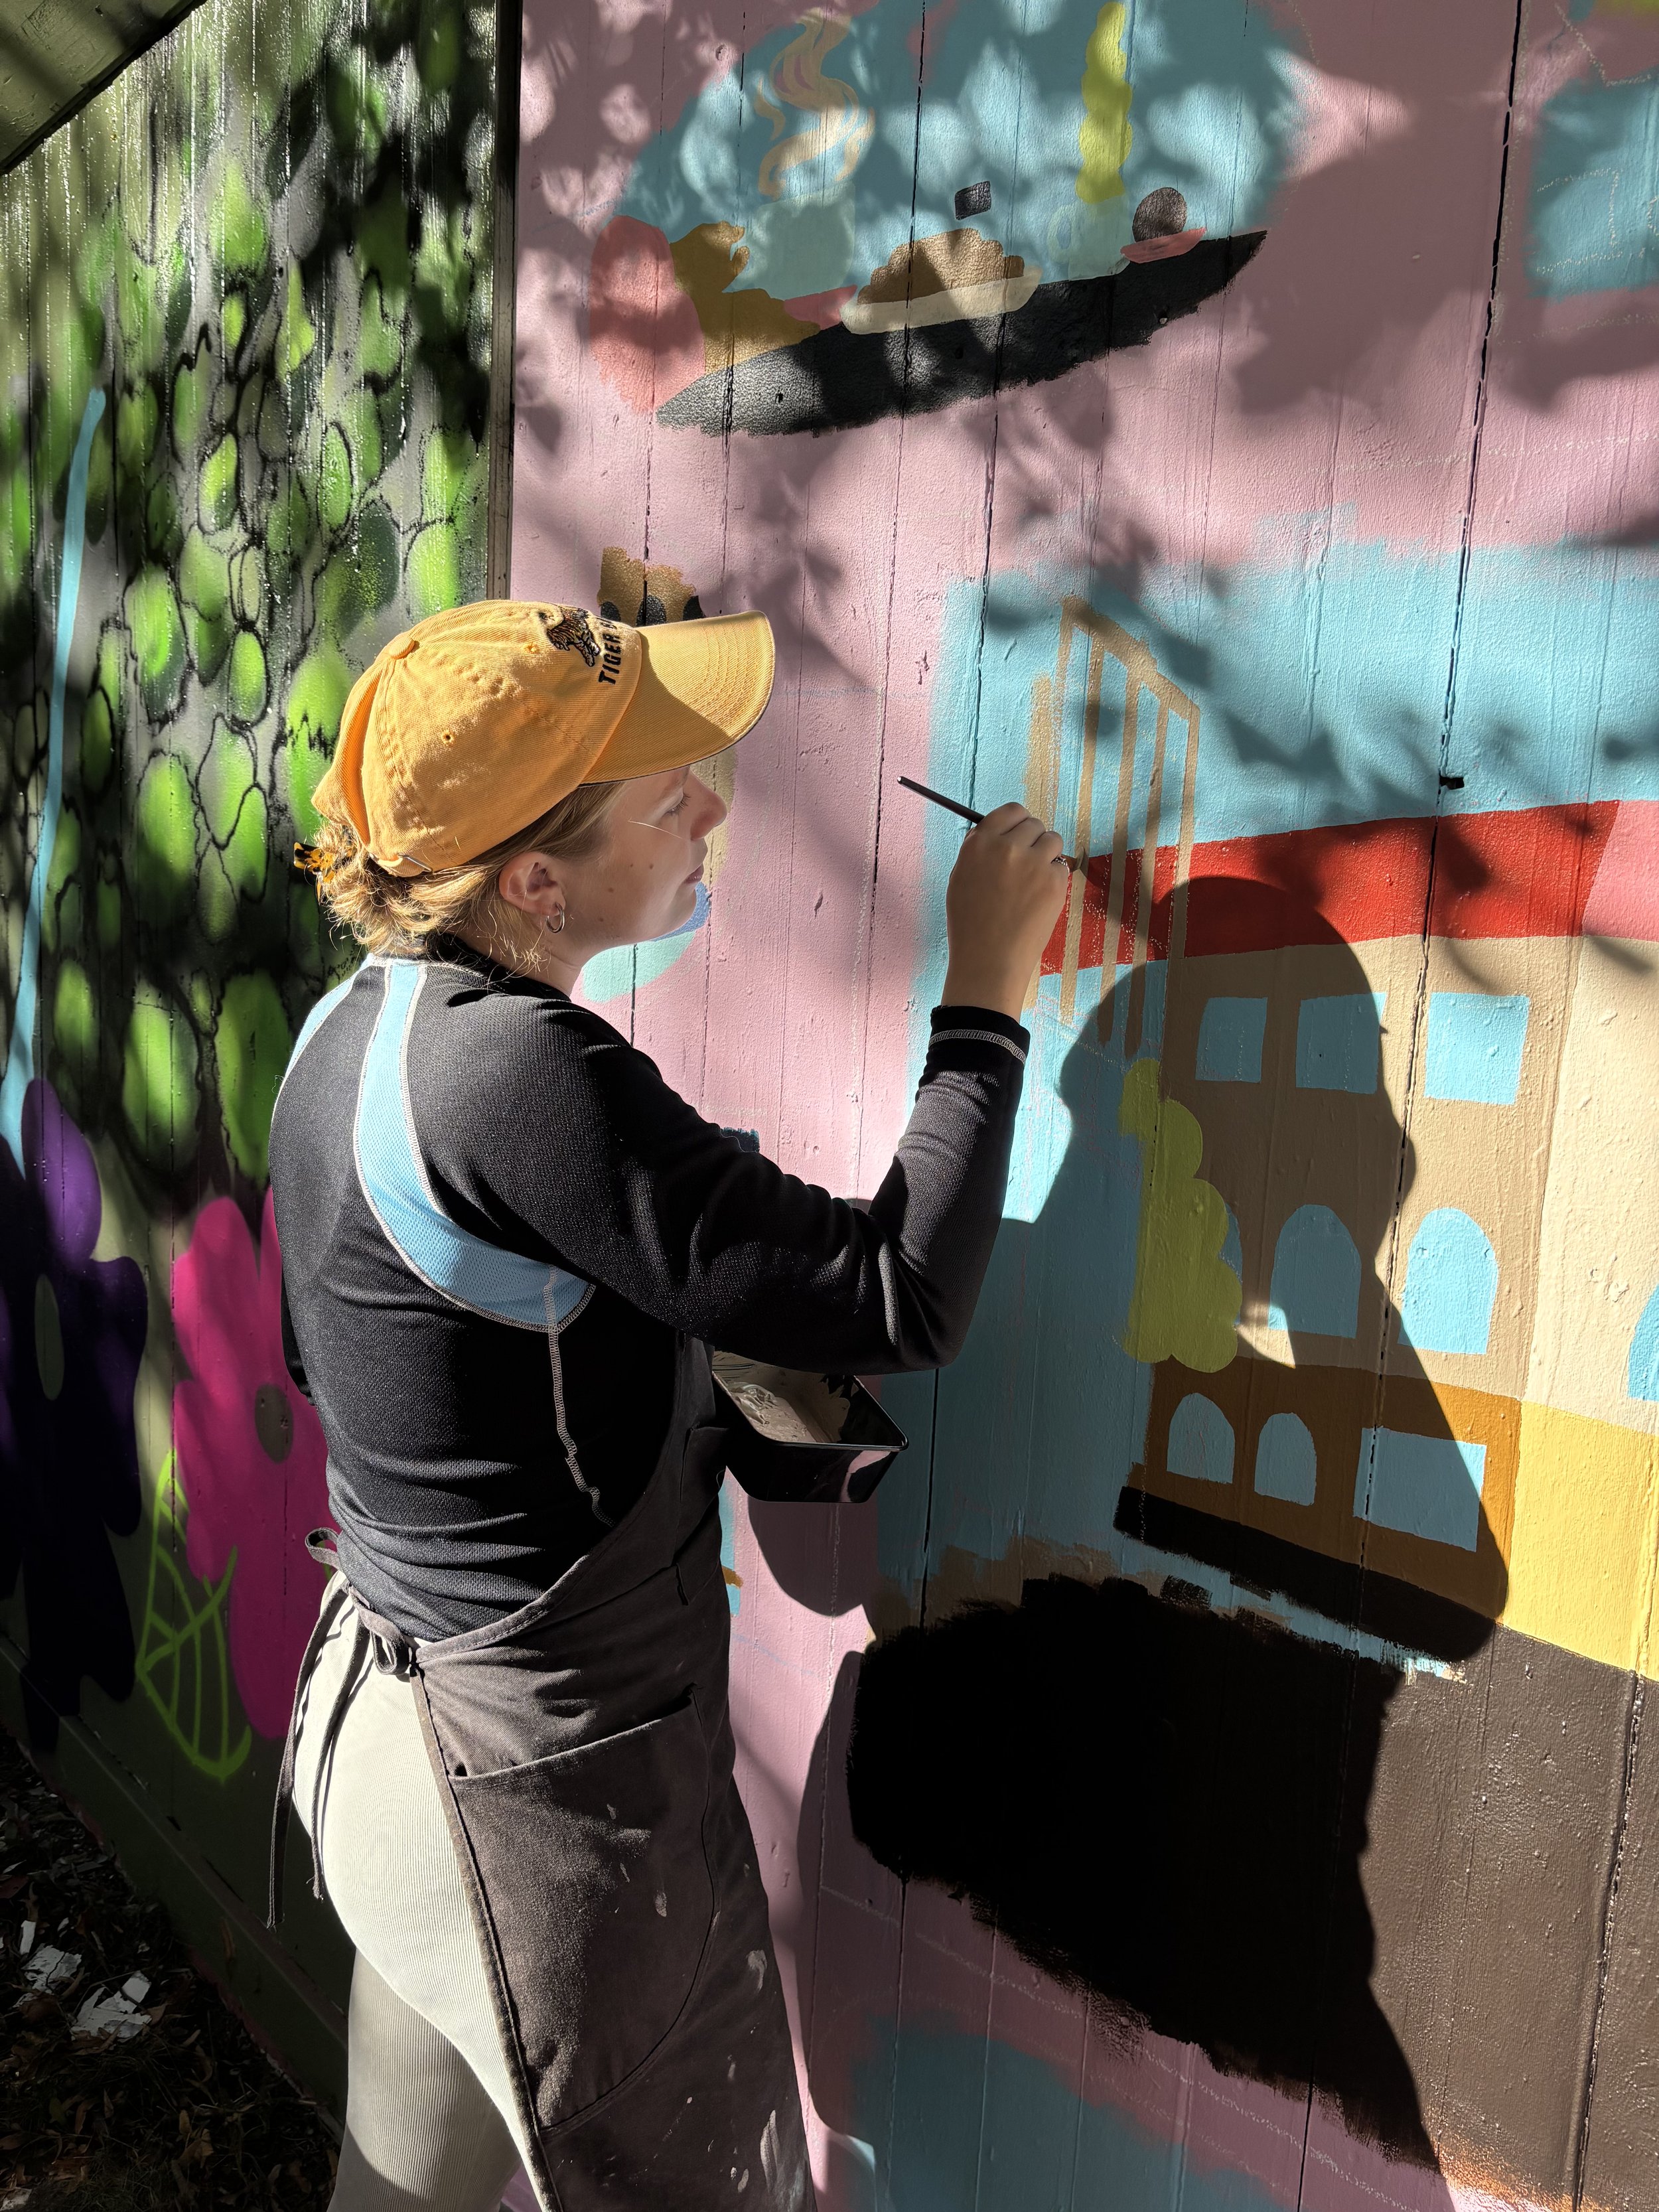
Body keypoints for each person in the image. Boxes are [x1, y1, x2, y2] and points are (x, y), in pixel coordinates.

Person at [265, 595, 1069, 2212]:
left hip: (399, 1749)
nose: (711, 803)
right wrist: (985, 987)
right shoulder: (518, 1072)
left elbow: (404, 1361)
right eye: (663, 793)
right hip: (538, 1818)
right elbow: (896, 1290)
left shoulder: (354, 1029)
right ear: (532, 880)